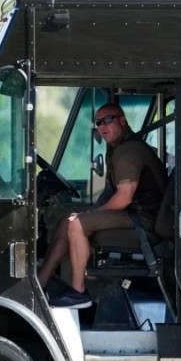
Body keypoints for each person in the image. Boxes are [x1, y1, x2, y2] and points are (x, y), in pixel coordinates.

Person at [37, 103, 168, 308]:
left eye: (108, 120)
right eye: (98, 123)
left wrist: (93, 214)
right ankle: (40, 283)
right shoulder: (116, 149)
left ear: (123, 121)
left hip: (142, 220)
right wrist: (91, 212)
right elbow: (111, 192)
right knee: (66, 222)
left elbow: (124, 197)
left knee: (77, 224)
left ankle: (78, 293)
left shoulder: (129, 151)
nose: (102, 126)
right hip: (133, 215)